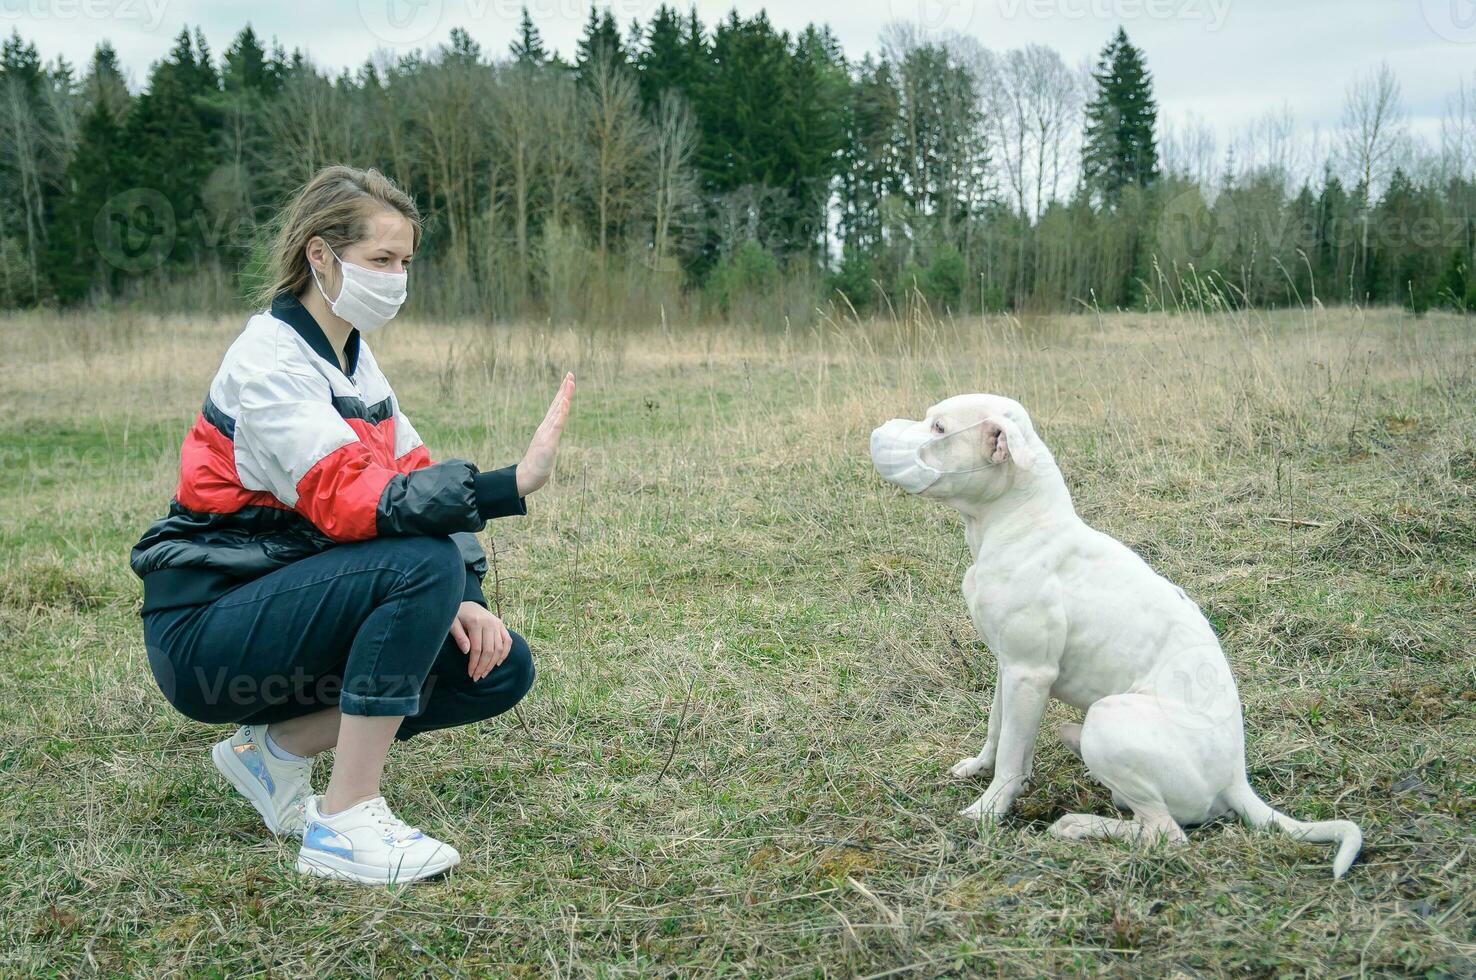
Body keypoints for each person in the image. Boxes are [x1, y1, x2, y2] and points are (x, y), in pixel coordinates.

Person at [129, 165, 574, 884]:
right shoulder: (269, 361)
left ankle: (272, 753)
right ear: (319, 256)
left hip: (294, 607)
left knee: (496, 666)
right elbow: (353, 498)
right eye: (380, 261)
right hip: (209, 629)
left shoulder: (357, 363)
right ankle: (344, 823)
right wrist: (509, 486)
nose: (396, 278)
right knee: (420, 562)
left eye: (405, 263)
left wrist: (470, 602)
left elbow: (415, 473)